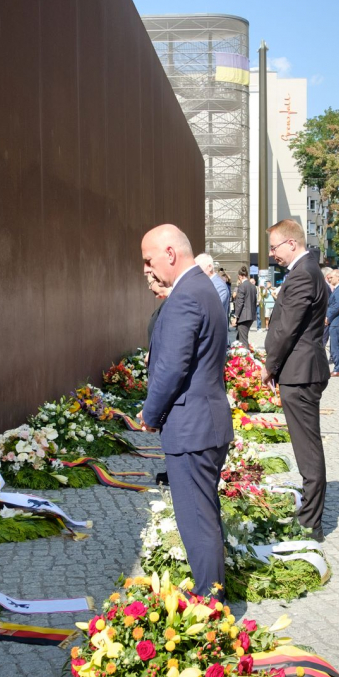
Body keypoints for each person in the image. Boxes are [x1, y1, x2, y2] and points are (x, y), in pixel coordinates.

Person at [140, 225, 234, 599]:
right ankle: (213, 590)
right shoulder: (202, 287)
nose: (146, 268)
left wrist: (151, 414)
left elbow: (172, 368)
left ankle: (210, 600)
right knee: (203, 513)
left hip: (191, 425)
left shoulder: (185, 296)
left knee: (196, 518)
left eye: (149, 260)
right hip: (204, 420)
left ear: (170, 253)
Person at [261, 218, 331, 542]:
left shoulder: (303, 273)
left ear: (292, 243)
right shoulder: (305, 270)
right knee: (306, 445)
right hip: (300, 370)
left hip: (301, 372)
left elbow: (288, 327)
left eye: (274, 247)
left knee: (307, 448)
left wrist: (270, 366)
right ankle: (310, 514)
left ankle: (311, 522)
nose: (271, 253)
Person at [195, 253, 231, 322]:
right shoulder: (206, 283)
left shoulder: (219, 287)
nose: (196, 272)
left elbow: (210, 311)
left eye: (199, 268)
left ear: (210, 267)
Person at [325, 269, 339, 376]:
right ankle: (337, 367)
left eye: (331, 277)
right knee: (333, 345)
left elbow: (336, 306)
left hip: (336, 321)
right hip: (334, 320)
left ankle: (338, 368)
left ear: (338, 277)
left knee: (335, 345)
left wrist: (328, 317)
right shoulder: (337, 289)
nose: (330, 279)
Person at [232, 266, 258, 347]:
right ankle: (237, 353)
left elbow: (240, 302)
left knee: (243, 341)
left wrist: (235, 317)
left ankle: (245, 354)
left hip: (243, 316)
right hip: (251, 315)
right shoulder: (253, 286)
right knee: (239, 338)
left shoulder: (242, 286)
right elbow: (254, 301)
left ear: (240, 276)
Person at [146, 274, 171, 349]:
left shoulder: (171, 303)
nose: (149, 288)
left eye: (150, 283)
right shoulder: (167, 303)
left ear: (159, 281)